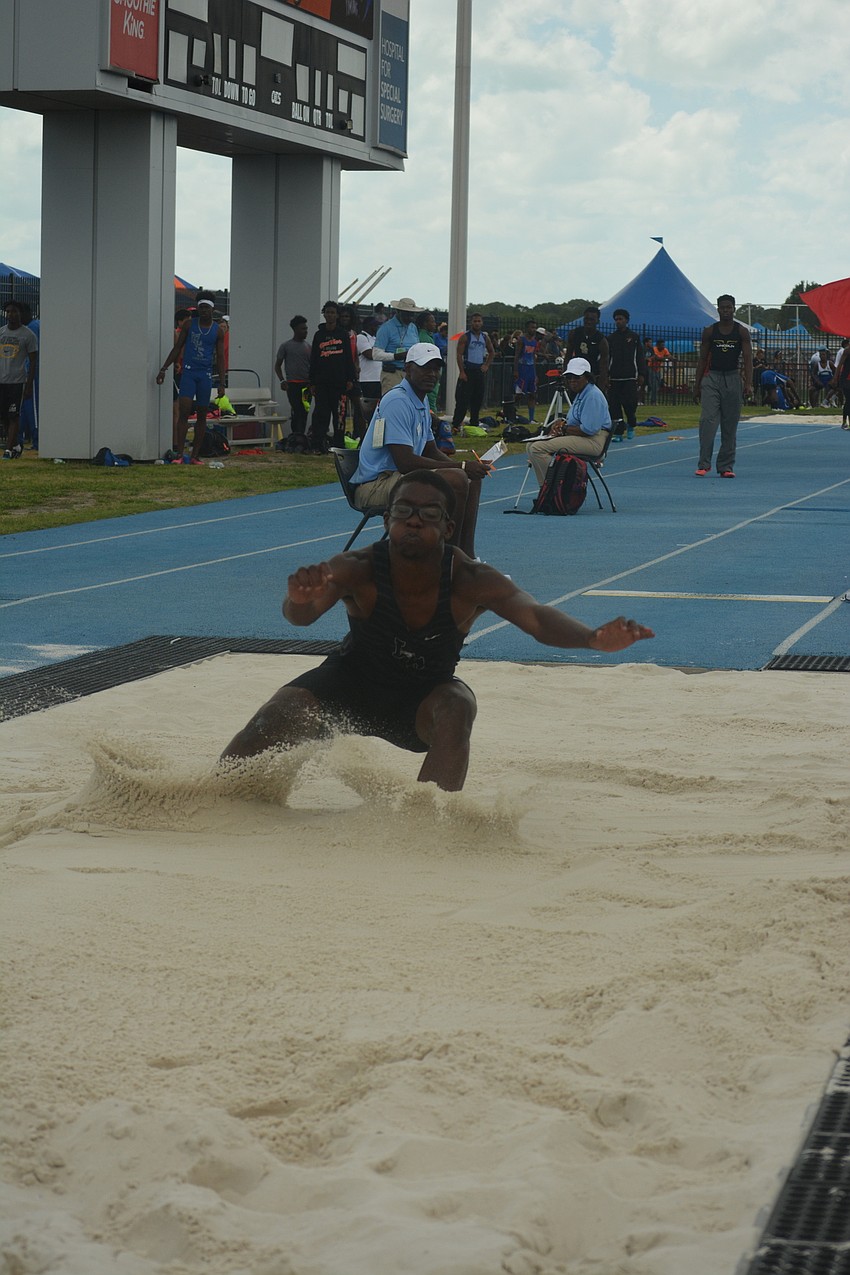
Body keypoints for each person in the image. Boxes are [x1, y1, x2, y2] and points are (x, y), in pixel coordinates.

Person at [220, 469, 655, 791]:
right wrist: (296, 601)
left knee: (458, 704)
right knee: (280, 713)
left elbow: (536, 617)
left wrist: (591, 638)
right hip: (347, 687)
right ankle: (237, 790)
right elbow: (302, 617)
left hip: (419, 703)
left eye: (427, 514)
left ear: (447, 527)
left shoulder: (471, 579)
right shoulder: (355, 568)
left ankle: (431, 818)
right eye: (403, 512)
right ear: (387, 519)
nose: (413, 521)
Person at [350, 342, 491, 559]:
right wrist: (460, 467)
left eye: (436, 368)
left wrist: (466, 470)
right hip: (375, 484)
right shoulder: (397, 400)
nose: (432, 374)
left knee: (469, 479)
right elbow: (405, 462)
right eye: (425, 367)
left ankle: (466, 556)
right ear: (407, 369)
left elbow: (431, 450)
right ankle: (447, 561)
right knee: (456, 479)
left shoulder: (420, 401)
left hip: (398, 476)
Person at [156, 292, 226, 464]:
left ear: (212, 309)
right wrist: (164, 368)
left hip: (205, 375)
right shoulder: (189, 325)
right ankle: (180, 454)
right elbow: (177, 348)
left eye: (206, 308)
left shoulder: (217, 331)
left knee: (202, 414)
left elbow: (221, 358)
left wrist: (222, 383)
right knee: (184, 411)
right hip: (188, 372)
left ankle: (195, 455)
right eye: (201, 308)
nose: (203, 311)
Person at [693, 295, 753, 478]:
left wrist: (748, 383)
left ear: (734, 309)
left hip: (733, 378)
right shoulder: (710, 332)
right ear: (717, 309)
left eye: (729, 307)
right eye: (722, 307)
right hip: (712, 378)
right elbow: (702, 359)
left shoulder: (741, 332)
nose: (726, 310)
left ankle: (726, 466)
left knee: (729, 424)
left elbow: (748, 359)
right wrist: (697, 385)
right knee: (708, 421)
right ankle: (704, 463)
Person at [525, 356, 610, 486]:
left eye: (576, 377)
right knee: (530, 445)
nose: (572, 380)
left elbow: (589, 430)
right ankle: (548, 489)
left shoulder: (592, 396)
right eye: (569, 377)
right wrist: (561, 423)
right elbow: (575, 420)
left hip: (594, 440)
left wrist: (563, 429)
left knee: (537, 448)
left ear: (587, 377)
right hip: (586, 437)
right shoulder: (582, 393)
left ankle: (559, 486)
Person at [308, 300, 356, 454]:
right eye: (327, 312)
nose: (330, 315)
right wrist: (312, 381)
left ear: (337, 315)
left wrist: (350, 379)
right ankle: (318, 444)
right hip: (322, 382)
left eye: (333, 312)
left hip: (339, 383)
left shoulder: (342, 334)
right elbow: (314, 359)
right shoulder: (319, 335)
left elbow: (349, 358)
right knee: (321, 414)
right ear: (324, 314)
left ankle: (339, 445)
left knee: (339, 415)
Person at [1, 300, 39, 460]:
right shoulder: (1, 332)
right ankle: (16, 444)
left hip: (17, 382)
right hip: (2, 380)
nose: (11, 315)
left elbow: (33, 362)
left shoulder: (28, 335)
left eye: (14, 311)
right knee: (4, 416)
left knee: (14, 415)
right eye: (8, 312)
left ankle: (8, 450)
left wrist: (29, 384)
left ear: (20, 314)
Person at [607, 308, 647, 441]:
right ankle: (618, 432)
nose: (618, 322)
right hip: (614, 377)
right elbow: (607, 358)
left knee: (630, 404)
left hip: (630, 376)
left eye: (621, 319)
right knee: (614, 406)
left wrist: (641, 374)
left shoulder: (634, 337)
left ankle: (631, 423)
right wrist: (606, 374)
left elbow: (640, 357)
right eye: (616, 319)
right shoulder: (611, 338)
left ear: (627, 320)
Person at [451, 312, 495, 432]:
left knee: (477, 399)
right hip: (468, 370)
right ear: (471, 322)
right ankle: (456, 424)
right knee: (462, 400)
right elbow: (459, 354)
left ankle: (474, 423)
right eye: (475, 321)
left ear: (482, 322)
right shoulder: (465, 337)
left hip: (479, 371)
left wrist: (486, 365)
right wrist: (462, 371)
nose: (477, 323)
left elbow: (492, 352)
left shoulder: (485, 337)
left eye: (479, 321)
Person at [373, 296, 425, 395]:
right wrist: (396, 356)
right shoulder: (386, 328)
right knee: (392, 404)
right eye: (407, 314)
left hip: (410, 373)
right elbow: (376, 354)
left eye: (412, 314)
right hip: (392, 373)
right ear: (398, 312)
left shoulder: (412, 327)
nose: (410, 318)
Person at [274, 315, 312, 443]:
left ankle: (300, 436)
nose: (305, 331)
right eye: (303, 329)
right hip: (292, 385)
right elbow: (277, 365)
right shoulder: (286, 346)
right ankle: (296, 435)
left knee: (304, 412)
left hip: (306, 386)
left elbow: (312, 366)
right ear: (295, 329)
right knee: (297, 410)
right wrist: (282, 380)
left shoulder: (308, 347)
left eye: (306, 329)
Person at [565, 307, 609, 393]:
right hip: (576, 375)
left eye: (592, 319)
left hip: (592, 376)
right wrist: (566, 375)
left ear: (597, 321)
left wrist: (601, 386)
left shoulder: (601, 340)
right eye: (586, 319)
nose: (588, 322)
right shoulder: (574, 333)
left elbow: (604, 366)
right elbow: (568, 356)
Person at [513, 320, 540, 424]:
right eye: (531, 327)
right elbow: (517, 355)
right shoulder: (521, 340)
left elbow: (533, 356)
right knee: (518, 394)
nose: (533, 330)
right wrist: (516, 370)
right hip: (522, 368)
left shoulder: (534, 341)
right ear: (527, 328)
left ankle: (531, 418)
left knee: (532, 394)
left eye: (535, 328)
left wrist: (535, 373)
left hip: (530, 369)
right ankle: (510, 413)